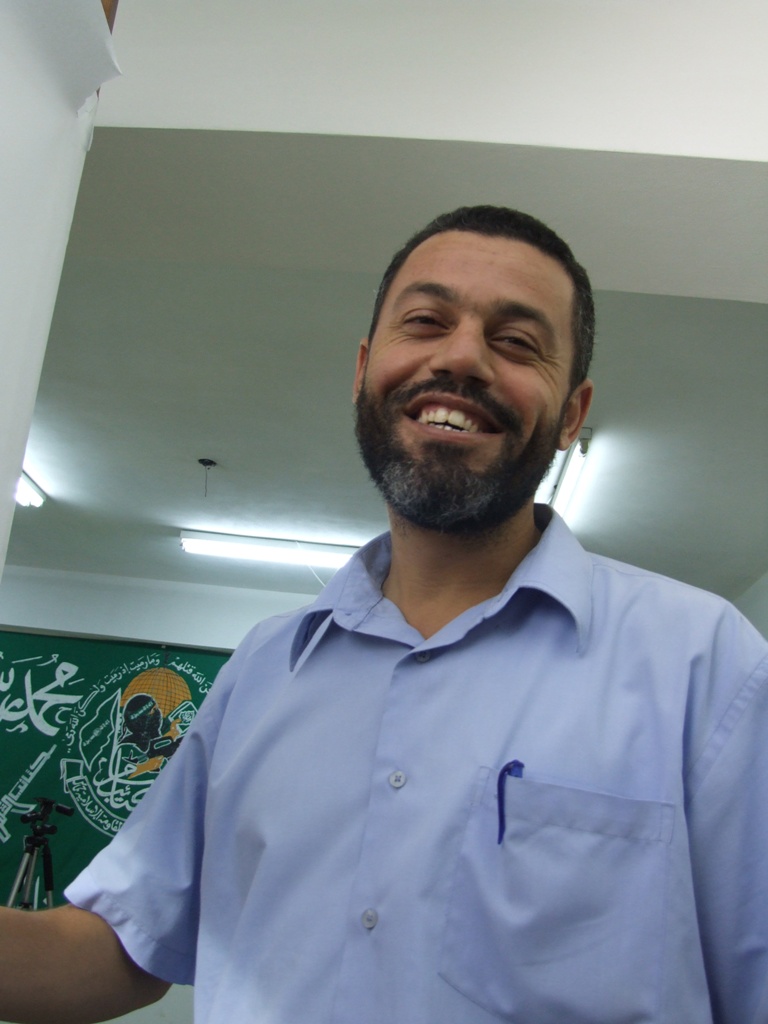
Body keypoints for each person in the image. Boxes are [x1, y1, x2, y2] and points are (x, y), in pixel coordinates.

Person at [1, 205, 767, 1024]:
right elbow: (124, 945)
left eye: (516, 341)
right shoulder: (264, 669)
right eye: (427, 321)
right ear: (366, 369)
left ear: (572, 415)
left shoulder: (704, 664)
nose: (461, 357)